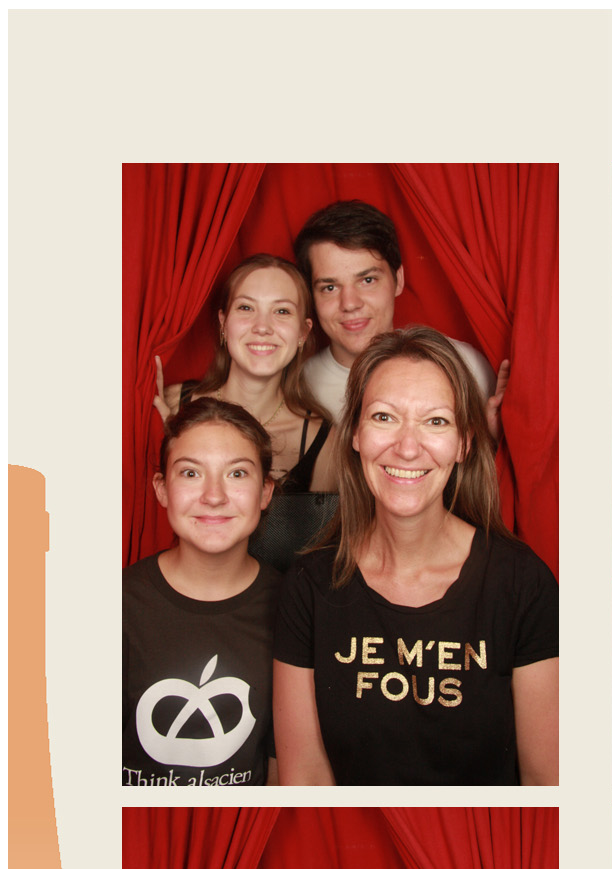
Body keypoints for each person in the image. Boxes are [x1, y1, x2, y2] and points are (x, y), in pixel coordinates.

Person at [273, 327, 559, 786]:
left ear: (465, 442)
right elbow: (304, 778)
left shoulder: (522, 583)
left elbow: (547, 782)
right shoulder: (308, 585)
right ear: (355, 434)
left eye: (436, 422)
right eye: (384, 417)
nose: (407, 448)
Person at [124, 400, 279, 788]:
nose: (214, 496)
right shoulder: (112, 605)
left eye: (237, 473)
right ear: (162, 489)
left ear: (265, 492)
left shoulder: (295, 608)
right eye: (191, 473)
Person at [153, 254, 336, 572]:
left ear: (303, 332)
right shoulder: (170, 404)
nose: (262, 327)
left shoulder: (323, 439)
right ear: (223, 323)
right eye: (246, 308)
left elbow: (319, 560)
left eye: (282, 311)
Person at [293, 199, 504, 429]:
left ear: (398, 280)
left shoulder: (466, 366)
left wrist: (492, 439)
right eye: (330, 287)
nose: (350, 304)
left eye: (367, 280)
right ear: (311, 295)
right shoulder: (296, 387)